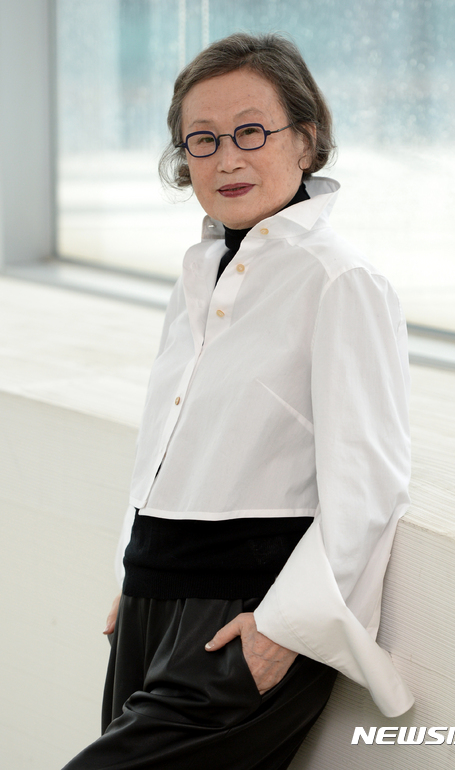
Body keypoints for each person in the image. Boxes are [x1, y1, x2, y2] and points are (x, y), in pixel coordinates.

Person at [62, 31, 413, 770]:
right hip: (151, 596)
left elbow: (369, 481)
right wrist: (136, 573)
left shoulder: (339, 280)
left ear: (306, 141)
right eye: (203, 139)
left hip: (245, 612)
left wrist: (283, 630)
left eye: (252, 131)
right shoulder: (201, 272)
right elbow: (170, 444)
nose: (227, 159)